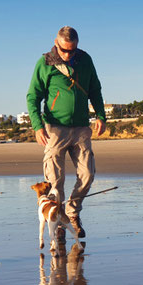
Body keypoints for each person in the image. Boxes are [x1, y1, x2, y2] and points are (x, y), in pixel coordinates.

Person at [26, 26, 106, 242]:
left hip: (81, 127)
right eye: (64, 50)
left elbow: (95, 89)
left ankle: (71, 212)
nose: (68, 55)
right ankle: (58, 222)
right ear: (56, 43)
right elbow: (33, 96)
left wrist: (100, 115)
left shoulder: (85, 60)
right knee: (54, 181)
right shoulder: (45, 63)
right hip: (55, 128)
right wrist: (37, 125)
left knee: (88, 174)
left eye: (72, 51)